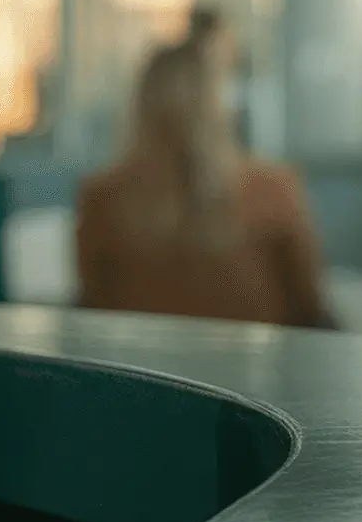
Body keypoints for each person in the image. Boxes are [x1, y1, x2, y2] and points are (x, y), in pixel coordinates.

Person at [75, 29, 334, 328]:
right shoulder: (273, 191)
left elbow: (94, 309)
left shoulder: (102, 198)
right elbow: (308, 309)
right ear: (219, 107)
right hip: (254, 370)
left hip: (140, 370)